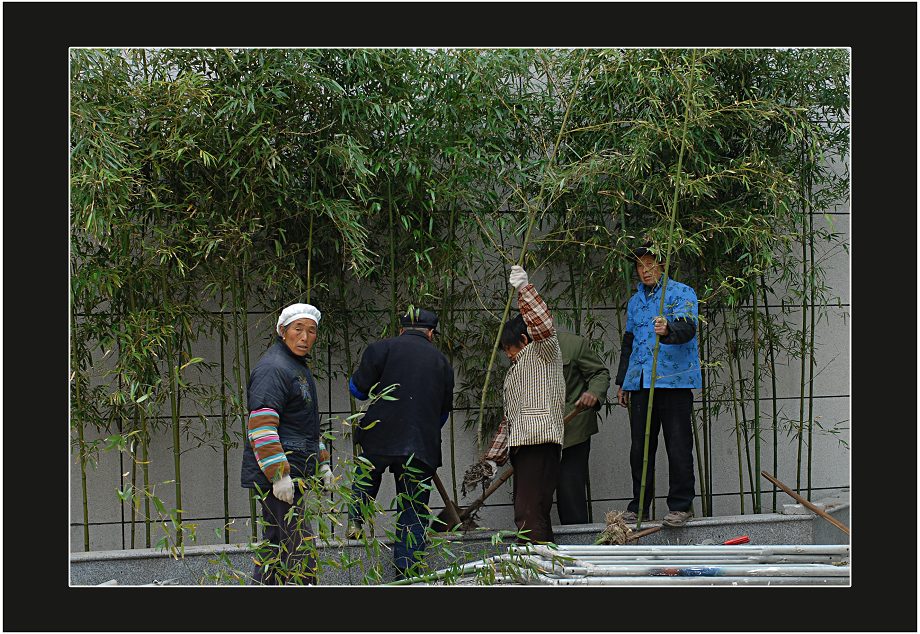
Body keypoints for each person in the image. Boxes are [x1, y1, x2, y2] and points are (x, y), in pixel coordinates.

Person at [346, 307, 454, 578]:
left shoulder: (381, 349)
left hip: (379, 434)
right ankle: (407, 572)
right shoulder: (442, 362)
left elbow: (356, 389)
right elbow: (442, 412)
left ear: (401, 329)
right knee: (414, 509)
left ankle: (357, 518)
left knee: (367, 473)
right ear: (431, 333)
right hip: (420, 443)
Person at [240, 302, 334, 584]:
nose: (305, 337)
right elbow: (262, 426)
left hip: (292, 471)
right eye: (298, 329)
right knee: (298, 544)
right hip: (279, 475)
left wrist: (323, 463)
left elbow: (305, 426)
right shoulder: (274, 368)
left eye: (311, 331)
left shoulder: (295, 366)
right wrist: (279, 475)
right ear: (282, 331)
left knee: (276, 543)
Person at [615, 244, 701, 528]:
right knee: (639, 449)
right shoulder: (635, 301)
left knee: (678, 446)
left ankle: (680, 506)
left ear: (662, 265)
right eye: (640, 266)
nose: (645, 270)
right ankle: (639, 506)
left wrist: (668, 330)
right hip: (640, 382)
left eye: (651, 264)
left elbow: (688, 328)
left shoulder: (681, 292)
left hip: (673, 382)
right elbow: (629, 342)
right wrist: (623, 381)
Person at [480, 265, 566, 544]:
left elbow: (543, 325)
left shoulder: (544, 352)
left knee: (529, 512)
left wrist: (524, 290)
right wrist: (493, 460)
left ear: (524, 339)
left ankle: (532, 564)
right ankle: (547, 568)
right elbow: (510, 418)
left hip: (540, 440)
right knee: (534, 510)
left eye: (509, 348)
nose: (508, 355)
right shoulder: (515, 373)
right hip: (524, 443)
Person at [556, 331, 611, 525]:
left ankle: (578, 545)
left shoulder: (573, 344)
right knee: (533, 497)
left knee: (570, 491)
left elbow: (599, 373)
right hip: (536, 433)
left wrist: (593, 392)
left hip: (572, 429)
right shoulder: (525, 348)